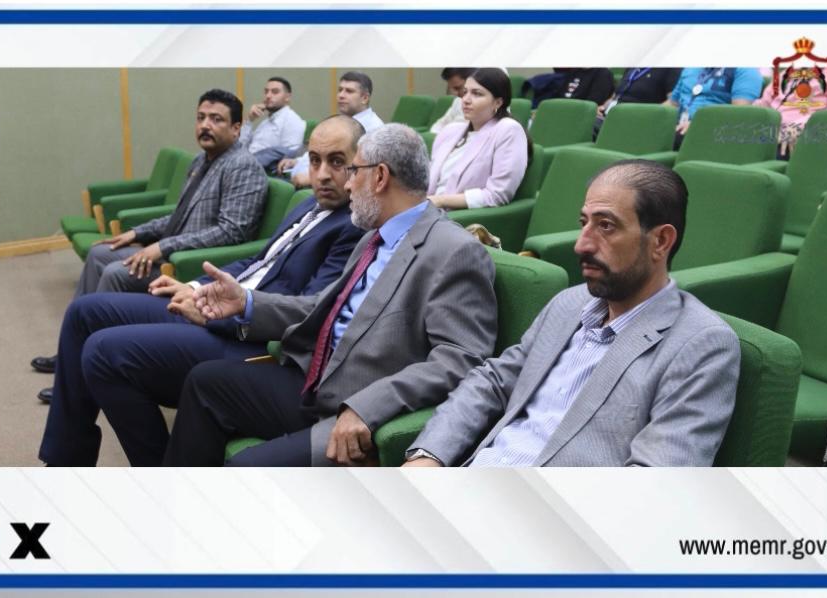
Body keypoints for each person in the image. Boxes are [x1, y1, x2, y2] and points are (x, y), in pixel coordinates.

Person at [37, 116, 368, 466]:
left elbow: (307, 314)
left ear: (359, 163)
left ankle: (158, 474)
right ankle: (66, 459)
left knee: (103, 353)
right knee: (85, 312)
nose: (322, 174)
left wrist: (216, 311)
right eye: (314, 161)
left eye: (336, 162)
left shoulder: (353, 225)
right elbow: (258, 262)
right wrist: (196, 286)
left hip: (247, 337)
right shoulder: (307, 204)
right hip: (218, 309)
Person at [163, 124, 498, 467]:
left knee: (245, 468)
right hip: (314, 380)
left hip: (356, 404)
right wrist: (247, 303)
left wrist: (369, 406)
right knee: (204, 383)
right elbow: (322, 308)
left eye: (354, 171)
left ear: (380, 177)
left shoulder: (454, 251)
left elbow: (461, 360)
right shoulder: (374, 237)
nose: (348, 184)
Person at [404, 159, 741, 468]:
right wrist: (428, 455)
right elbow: (493, 382)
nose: (581, 244)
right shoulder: (569, 303)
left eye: (606, 226)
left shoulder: (701, 345)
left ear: (661, 241)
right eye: (584, 223)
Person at [30, 89, 267, 374]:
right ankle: (72, 351)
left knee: (116, 272)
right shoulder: (200, 161)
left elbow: (232, 232)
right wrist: (137, 234)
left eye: (216, 119)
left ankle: (89, 365)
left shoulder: (243, 166)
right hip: (173, 250)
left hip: (194, 264)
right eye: (201, 117)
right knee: (100, 253)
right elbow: (179, 214)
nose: (205, 125)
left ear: (236, 128)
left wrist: (162, 247)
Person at [426, 68, 529, 210]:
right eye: (465, 92)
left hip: (457, 216)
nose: (466, 100)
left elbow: (497, 195)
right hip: (427, 208)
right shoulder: (451, 131)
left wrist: (441, 200)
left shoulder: (508, 130)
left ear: (498, 102)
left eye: (477, 94)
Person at [278, 71, 385, 187]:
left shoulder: (374, 129)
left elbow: (365, 172)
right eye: (340, 90)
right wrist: (297, 161)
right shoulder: (342, 121)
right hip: (298, 178)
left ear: (364, 98)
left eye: (349, 91)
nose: (341, 95)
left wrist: (312, 178)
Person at [753, 66, 827, 155]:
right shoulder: (787, 73)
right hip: (769, 133)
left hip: (804, 138)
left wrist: (797, 127)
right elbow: (763, 105)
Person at [665, 68, 763, 137]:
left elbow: (739, 114)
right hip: (679, 127)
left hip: (711, 132)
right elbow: (672, 103)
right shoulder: (690, 68)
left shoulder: (746, 71)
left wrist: (700, 123)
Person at [240, 76, 307, 173]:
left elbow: (290, 156)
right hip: (244, 165)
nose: (268, 96)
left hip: (259, 172)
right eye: (266, 91)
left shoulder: (292, 120)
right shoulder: (265, 122)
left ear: (287, 97)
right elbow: (241, 147)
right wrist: (250, 120)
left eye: (275, 92)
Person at [596, 67, 682, 119]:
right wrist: (603, 107)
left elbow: (673, 103)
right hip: (612, 115)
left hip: (636, 119)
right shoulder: (634, 66)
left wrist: (642, 115)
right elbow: (616, 95)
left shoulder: (671, 68)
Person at [429, 67, 476, 134]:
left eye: (458, 88)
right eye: (453, 89)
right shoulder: (458, 101)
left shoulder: (485, 106)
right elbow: (439, 125)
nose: (456, 94)